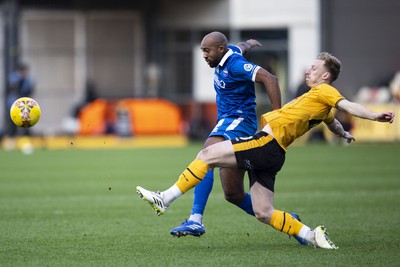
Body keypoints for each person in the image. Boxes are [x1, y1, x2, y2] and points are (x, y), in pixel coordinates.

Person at [136, 52, 395, 249]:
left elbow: (347, 106)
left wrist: (373, 115)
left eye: (315, 68)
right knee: (263, 212)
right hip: (274, 156)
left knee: (206, 155)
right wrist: (344, 133)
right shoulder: (320, 101)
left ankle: (165, 198)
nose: (309, 70)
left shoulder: (326, 91)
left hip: (266, 144)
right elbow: (333, 119)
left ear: (326, 75)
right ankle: (311, 235)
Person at [168, 31, 283, 239]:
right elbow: (240, 46)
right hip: (228, 122)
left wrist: (277, 120)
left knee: (207, 154)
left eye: (207, 50)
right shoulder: (228, 52)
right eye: (202, 50)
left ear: (221, 49)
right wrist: (248, 43)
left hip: (240, 120)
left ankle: (195, 219)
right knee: (233, 194)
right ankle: (288, 221)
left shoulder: (236, 65)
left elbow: (271, 79)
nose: (204, 55)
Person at [6, 63, 35, 137]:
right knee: (13, 123)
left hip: (25, 104)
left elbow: (30, 91)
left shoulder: (28, 80)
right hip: (14, 104)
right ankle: (12, 138)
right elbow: (12, 88)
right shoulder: (14, 77)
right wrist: (20, 80)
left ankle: (25, 138)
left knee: (26, 122)